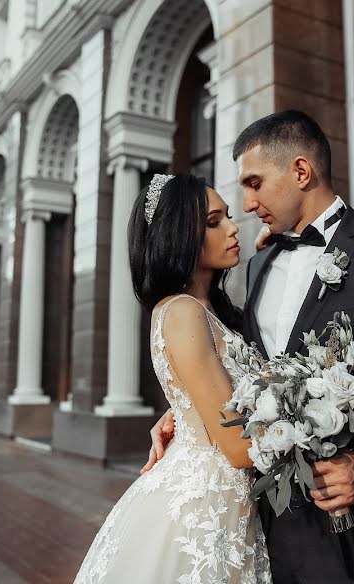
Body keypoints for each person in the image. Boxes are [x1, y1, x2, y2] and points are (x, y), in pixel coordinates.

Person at [144, 110, 354, 583]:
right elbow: (250, 366)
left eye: (255, 183)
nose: (247, 202)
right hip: (273, 538)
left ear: (301, 171)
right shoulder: (259, 266)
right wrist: (187, 412)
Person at [73, 174, 272, 584]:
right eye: (214, 221)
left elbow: (209, 394)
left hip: (229, 500)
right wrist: (318, 421)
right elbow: (236, 447)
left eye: (228, 218)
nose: (233, 228)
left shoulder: (208, 310)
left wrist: (180, 414)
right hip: (206, 506)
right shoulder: (182, 311)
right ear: (178, 234)